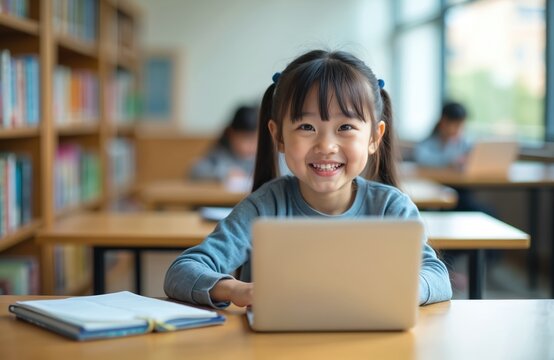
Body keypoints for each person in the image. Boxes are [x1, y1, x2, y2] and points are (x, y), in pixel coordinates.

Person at [165, 50, 452, 308]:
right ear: (278, 136)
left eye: (345, 127)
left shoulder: (390, 207)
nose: (326, 145)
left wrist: (401, 290)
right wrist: (237, 290)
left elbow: (437, 277)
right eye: (306, 126)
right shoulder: (265, 207)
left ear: (375, 137)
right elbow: (182, 271)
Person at [188, 105, 259, 186]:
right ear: (231, 134)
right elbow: (195, 172)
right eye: (246, 139)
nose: (252, 146)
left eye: (256, 140)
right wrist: (224, 174)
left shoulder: (261, 156)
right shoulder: (219, 154)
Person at [413, 102, 471, 169]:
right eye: (456, 125)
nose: (458, 130)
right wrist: (451, 161)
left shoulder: (464, 144)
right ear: (444, 122)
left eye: (462, 126)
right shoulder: (426, 144)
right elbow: (421, 159)